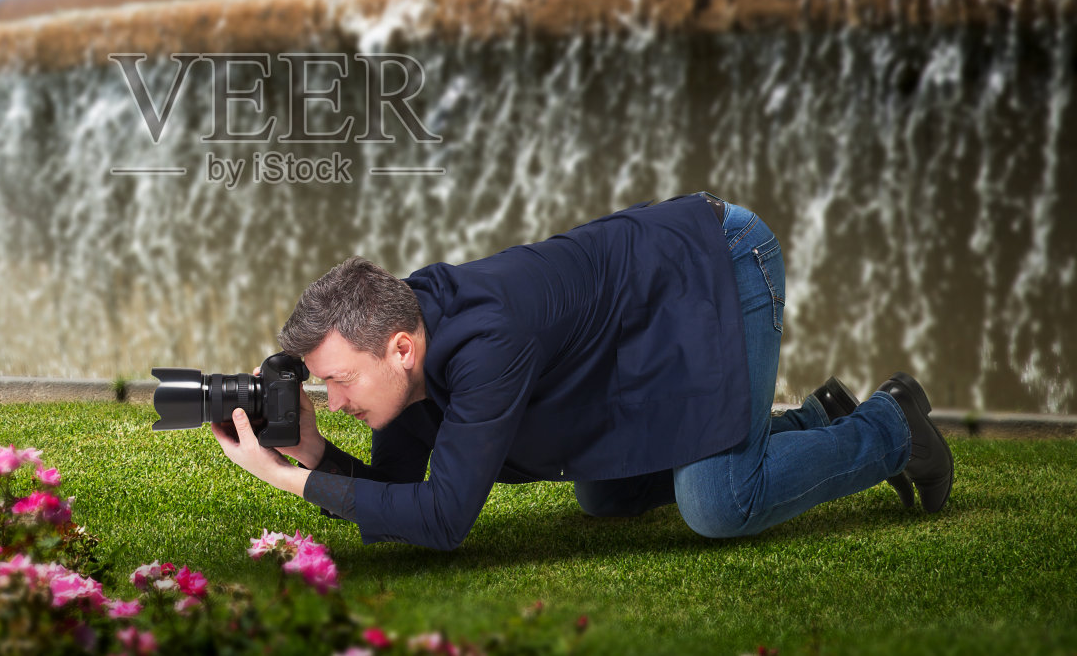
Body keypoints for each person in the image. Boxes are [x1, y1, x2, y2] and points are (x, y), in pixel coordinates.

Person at [211, 193, 953, 550]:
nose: (332, 399)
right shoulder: (402, 334)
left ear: (401, 348)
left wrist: (282, 479)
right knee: (608, 495)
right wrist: (307, 448)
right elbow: (398, 498)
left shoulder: (485, 344)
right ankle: (815, 419)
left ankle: (892, 426)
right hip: (628, 332)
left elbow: (443, 518)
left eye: (336, 381)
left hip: (710, 268)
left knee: (719, 503)